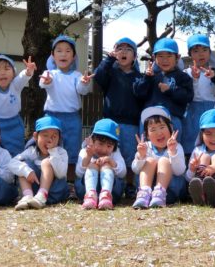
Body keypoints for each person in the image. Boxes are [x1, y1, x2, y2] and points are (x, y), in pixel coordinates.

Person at [40, 35, 92, 198]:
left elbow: (82, 90)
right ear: (53, 55)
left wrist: (84, 82)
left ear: (73, 56)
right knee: (50, 149)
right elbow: (43, 83)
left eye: (68, 51)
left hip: (72, 118)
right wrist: (47, 81)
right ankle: (48, 182)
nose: (63, 54)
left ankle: (69, 185)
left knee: (71, 151)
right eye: (59, 51)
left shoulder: (77, 75)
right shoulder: (49, 73)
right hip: (52, 118)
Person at [91, 37, 144, 198]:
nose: (123, 52)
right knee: (109, 152)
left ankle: (129, 184)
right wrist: (108, 59)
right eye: (120, 49)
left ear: (134, 57)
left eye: (128, 50)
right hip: (110, 123)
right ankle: (109, 183)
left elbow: (143, 93)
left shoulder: (138, 76)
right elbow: (99, 76)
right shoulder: (110, 73)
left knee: (128, 156)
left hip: (131, 122)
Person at [132, 38, 193, 144]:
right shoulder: (149, 75)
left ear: (177, 57)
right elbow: (139, 93)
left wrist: (171, 90)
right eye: (160, 56)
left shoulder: (183, 77)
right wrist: (147, 78)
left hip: (172, 119)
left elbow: (188, 96)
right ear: (154, 57)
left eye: (169, 56)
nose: (165, 60)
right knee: (147, 150)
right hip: (149, 120)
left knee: (172, 149)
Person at [181, 34, 215, 159]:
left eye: (204, 50)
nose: (201, 54)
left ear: (210, 52)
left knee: (213, 144)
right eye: (196, 51)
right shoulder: (185, 73)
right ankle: (190, 173)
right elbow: (186, 96)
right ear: (190, 54)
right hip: (192, 113)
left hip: (212, 110)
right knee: (191, 144)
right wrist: (194, 79)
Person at [9, 115, 68, 210]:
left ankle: (42, 195)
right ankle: (27, 196)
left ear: (59, 138)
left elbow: (61, 174)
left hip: (54, 192)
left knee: (46, 162)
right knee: (23, 165)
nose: (50, 140)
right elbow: (12, 163)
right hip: (34, 193)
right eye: (45, 135)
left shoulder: (61, 153)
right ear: (36, 136)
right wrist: (26, 171)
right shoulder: (31, 151)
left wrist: (53, 152)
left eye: (54, 136)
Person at [131, 106, 186, 209]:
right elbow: (135, 170)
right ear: (147, 135)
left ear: (170, 129)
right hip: (149, 188)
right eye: (153, 129)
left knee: (164, 161)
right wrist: (141, 156)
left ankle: (159, 194)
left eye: (162, 127)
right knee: (150, 160)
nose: (158, 133)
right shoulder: (145, 147)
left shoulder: (177, 146)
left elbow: (179, 171)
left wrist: (173, 152)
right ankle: (143, 194)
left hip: (170, 190)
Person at [76, 118, 126, 210]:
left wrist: (110, 161)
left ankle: (106, 195)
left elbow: (123, 173)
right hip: (86, 189)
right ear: (92, 140)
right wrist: (88, 157)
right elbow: (79, 173)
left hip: (112, 190)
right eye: (100, 144)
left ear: (114, 146)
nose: (104, 149)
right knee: (91, 166)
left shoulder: (115, 153)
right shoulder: (85, 151)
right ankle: (90, 196)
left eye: (109, 146)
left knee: (107, 166)